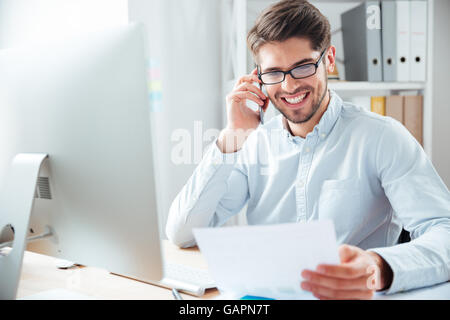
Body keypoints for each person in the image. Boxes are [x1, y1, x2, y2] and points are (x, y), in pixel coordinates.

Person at [166, 0, 450, 299]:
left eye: (302, 67)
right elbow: (183, 232)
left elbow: (444, 231)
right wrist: (232, 137)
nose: (289, 87)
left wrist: (379, 266)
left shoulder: (382, 137)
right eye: (274, 72)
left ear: (328, 59)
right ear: (258, 77)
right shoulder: (253, 145)